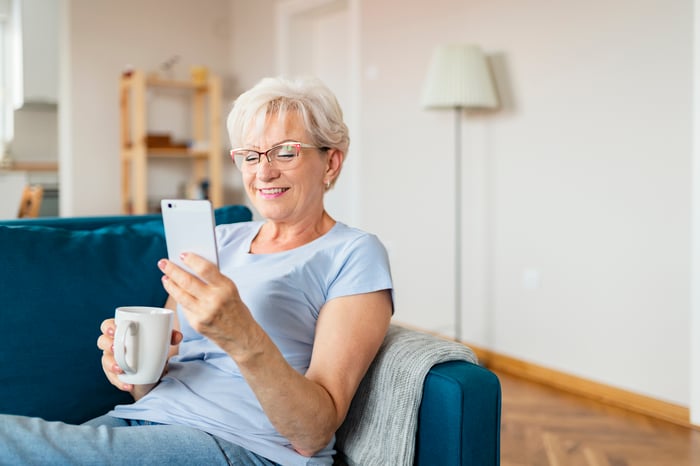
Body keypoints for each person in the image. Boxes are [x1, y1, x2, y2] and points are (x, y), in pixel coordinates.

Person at [0, 76, 393, 466]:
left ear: (331, 161)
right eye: (250, 156)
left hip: (240, 445)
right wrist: (133, 365)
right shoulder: (220, 239)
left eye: (285, 153)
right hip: (145, 421)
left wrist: (241, 334)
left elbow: (314, 433)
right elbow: (147, 389)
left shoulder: (354, 253)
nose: (264, 172)